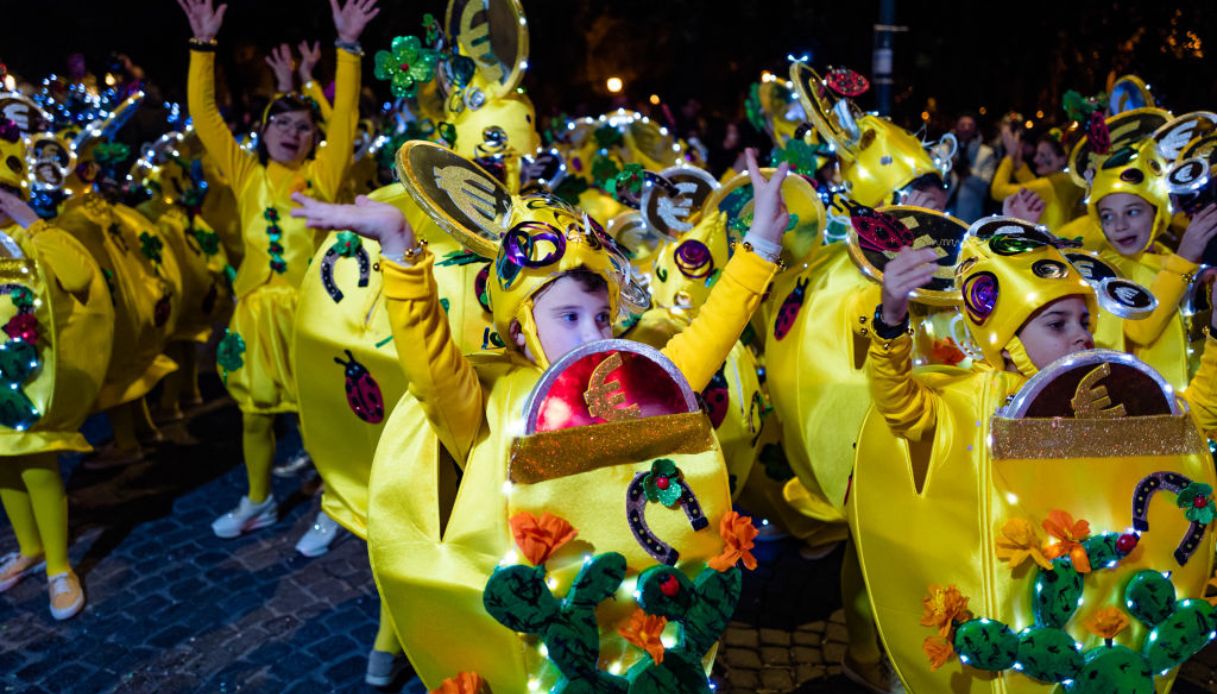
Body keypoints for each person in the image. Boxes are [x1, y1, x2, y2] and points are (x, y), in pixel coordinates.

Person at [291, 148, 787, 689]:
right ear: (521, 328)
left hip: (636, 627)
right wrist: (398, 248)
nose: (592, 335)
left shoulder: (631, 382)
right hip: (534, 645)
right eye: (567, 316)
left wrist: (760, 246)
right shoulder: (487, 403)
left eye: (601, 316)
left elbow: (706, 340)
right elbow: (430, 368)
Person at [858, 225, 1217, 692]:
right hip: (1005, 606)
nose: (1081, 337)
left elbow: (1194, 419)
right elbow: (900, 406)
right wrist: (890, 318)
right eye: (1057, 324)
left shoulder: (1106, 389)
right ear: (1005, 335)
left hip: (1096, 611)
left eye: (1085, 322)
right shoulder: (969, 399)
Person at [177, 0, 376, 538]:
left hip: (311, 315)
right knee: (254, 415)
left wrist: (348, 48)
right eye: (281, 123)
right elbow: (206, 117)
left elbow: (348, 115)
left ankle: (338, 504)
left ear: (315, 138)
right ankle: (259, 501)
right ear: (263, 133)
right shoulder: (245, 174)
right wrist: (203, 47)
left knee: (320, 419)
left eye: (304, 126)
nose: (292, 132)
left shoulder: (323, 175)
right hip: (255, 317)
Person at [0, 130, 114, 620]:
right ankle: (29, 547)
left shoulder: (35, 237)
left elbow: (78, 277)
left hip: (29, 378)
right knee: (2, 464)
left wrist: (32, 223)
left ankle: (60, 568)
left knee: (35, 463)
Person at [989, 124, 1083, 233]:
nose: (1036, 159)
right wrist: (1018, 163)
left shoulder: (1049, 185)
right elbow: (1036, 185)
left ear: (1062, 159)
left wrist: (1009, 156)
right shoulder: (1068, 180)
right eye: (1037, 154)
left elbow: (998, 190)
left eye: (1043, 155)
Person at [946, 112, 997, 222]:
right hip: (944, 210)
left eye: (970, 125)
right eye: (962, 125)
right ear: (956, 127)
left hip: (970, 215)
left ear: (975, 129)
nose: (966, 128)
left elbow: (985, 186)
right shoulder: (944, 150)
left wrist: (967, 174)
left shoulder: (986, 153)